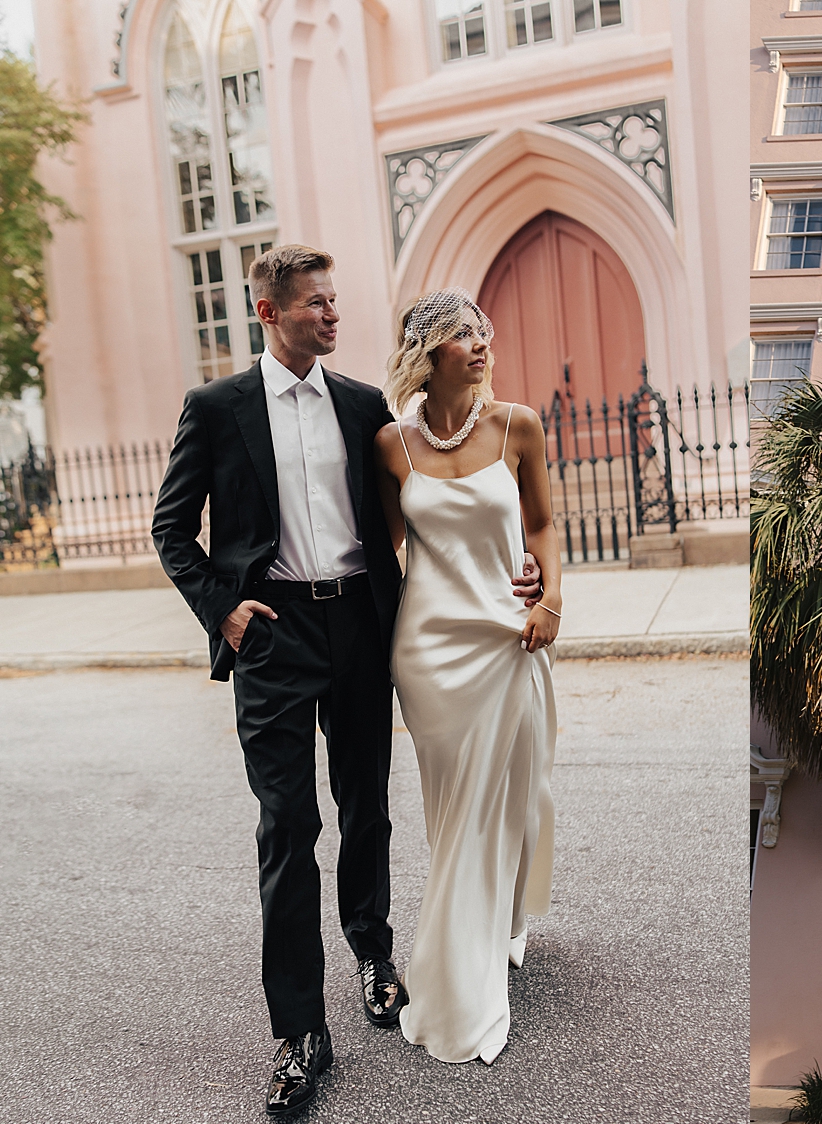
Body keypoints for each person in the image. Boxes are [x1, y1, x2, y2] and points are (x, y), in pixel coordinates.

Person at [151, 248, 540, 1114]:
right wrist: (225, 609)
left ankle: (373, 955)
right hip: (275, 633)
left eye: (334, 301)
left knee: (367, 803)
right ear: (268, 312)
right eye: (315, 305)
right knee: (289, 825)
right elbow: (172, 527)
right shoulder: (216, 409)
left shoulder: (367, 408)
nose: (332, 315)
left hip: (363, 626)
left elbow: (432, 513)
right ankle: (298, 1035)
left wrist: (511, 576)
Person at [373, 288, 562, 1065]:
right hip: (426, 650)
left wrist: (550, 598)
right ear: (429, 353)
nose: (481, 344)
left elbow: (543, 523)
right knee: (452, 809)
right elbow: (386, 557)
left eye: (483, 330)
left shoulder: (519, 425)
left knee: (506, 800)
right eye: (462, 335)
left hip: (507, 638)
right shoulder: (391, 445)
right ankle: (468, 943)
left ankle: (474, 947)